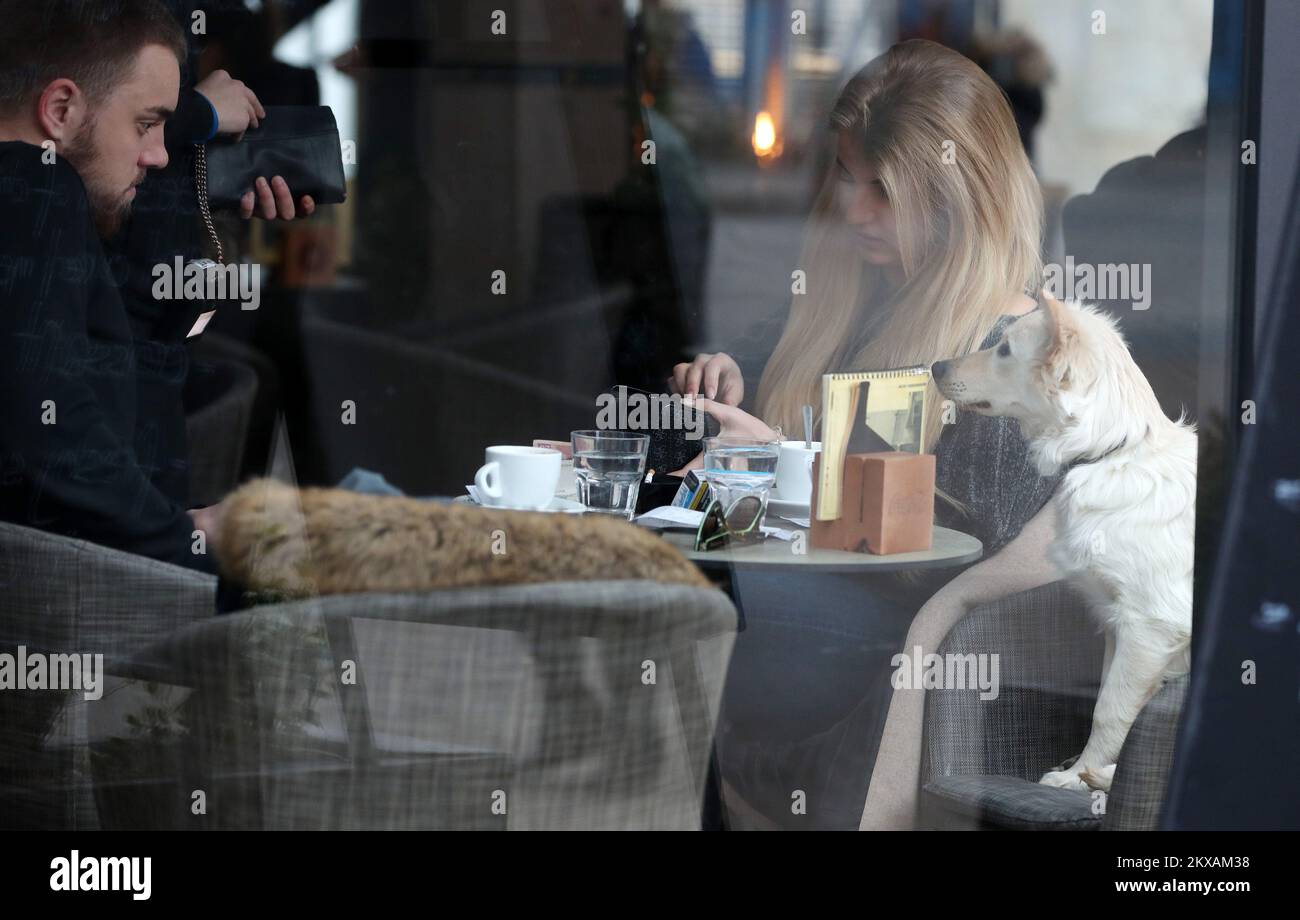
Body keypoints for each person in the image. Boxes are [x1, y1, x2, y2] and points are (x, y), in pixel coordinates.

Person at [668, 39, 1062, 828]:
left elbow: (985, 570)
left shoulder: (1010, 351)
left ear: (959, 199)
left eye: (884, 191)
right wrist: (724, 377)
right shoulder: (844, 298)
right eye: (847, 180)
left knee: (676, 615)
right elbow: (743, 394)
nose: (853, 212)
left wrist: (784, 469)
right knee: (660, 602)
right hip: (795, 619)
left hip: (880, 652)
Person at [0, 0, 217, 569]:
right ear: (61, 108)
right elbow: (47, 427)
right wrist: (184, 544)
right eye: (146, 124)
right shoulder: (32, 183)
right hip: (59, 606)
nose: (159, 154)